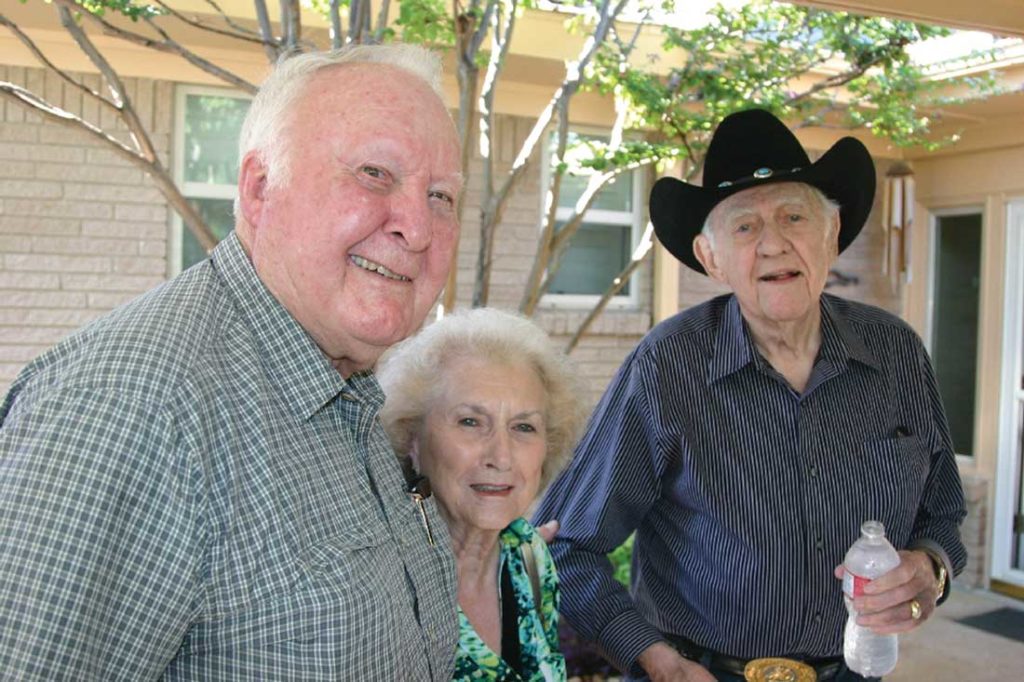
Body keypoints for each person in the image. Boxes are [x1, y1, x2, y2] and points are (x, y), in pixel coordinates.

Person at [0, 45, 464, 679]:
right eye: (374, 173)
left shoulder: (342, 385)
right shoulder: (134, 406)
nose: (418, 225)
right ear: (259, 189)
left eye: (441, 196)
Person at [534, 109, 966, 682]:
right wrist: (656, 659)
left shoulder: (896, 353)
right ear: (711, 259)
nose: (773, 244)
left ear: (831, 235)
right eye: (744, 227)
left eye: (794, 217)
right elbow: (567, 545)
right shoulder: (669, 365)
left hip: (854, 670)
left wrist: (931, 568)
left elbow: (943, 511)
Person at [377, 307, 587, 681]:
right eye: (470, 422)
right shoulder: (379, 579)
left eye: (523, 427)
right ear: (412, 437)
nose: (501, 456)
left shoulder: (529, 557)